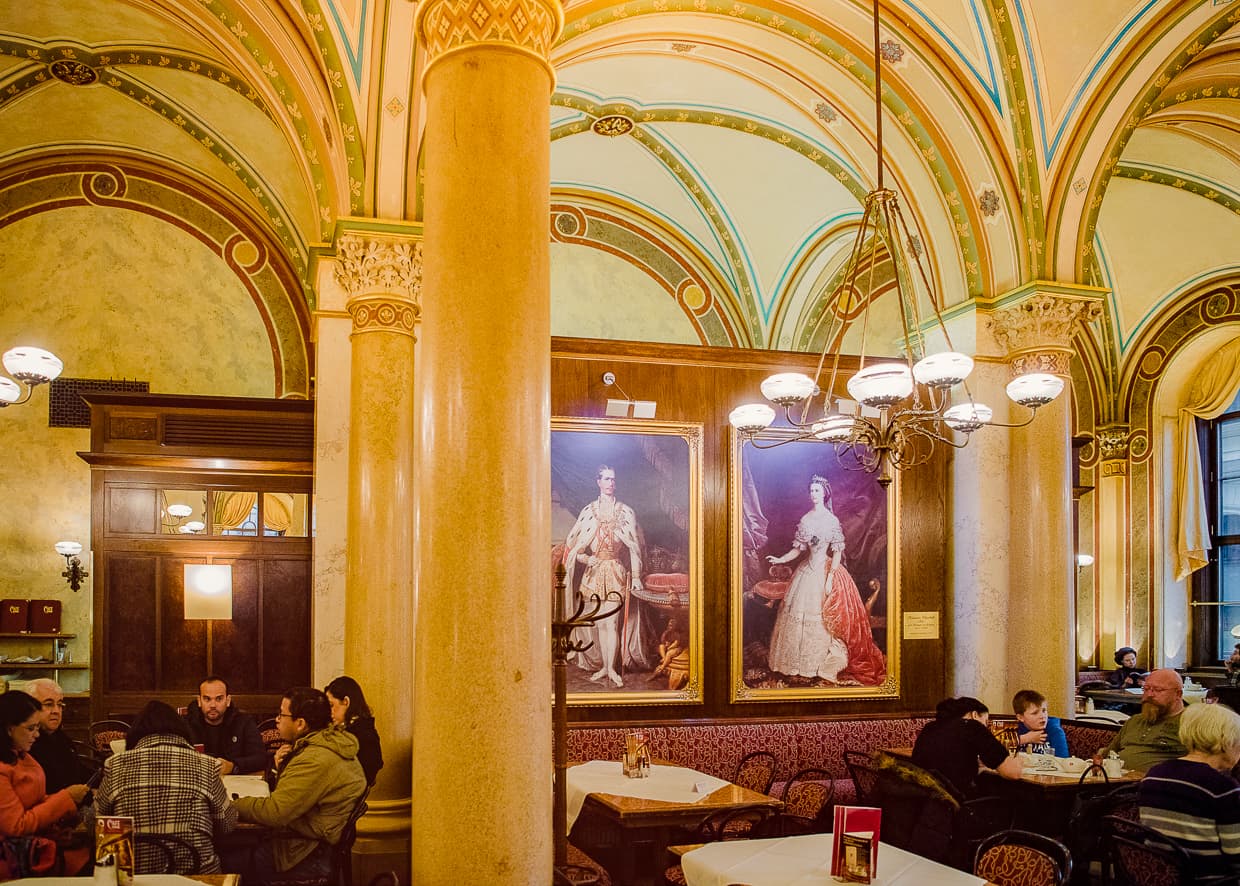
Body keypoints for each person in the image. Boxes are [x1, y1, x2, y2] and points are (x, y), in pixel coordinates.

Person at [226, 687, 366, 885]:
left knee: (223, 860)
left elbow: (276, 812)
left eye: (282, 714)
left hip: (306, 854)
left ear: (300, 723)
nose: (277, 720)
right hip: (306, 843)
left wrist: (232, 804)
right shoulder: (323, 745)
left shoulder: (315, 759)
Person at [764, 476, 885, 685]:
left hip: (825, 571)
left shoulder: (831, 521)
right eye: (811, 490)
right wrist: (780, 558)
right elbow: (798, 549)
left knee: (822, 618)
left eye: (817, 491)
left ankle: (819, 664)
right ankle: (796, 665)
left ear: (825, 494)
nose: (813, 494)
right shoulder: (805, 519)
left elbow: (837, 552)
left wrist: (830, 578)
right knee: (795, 614)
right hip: (806, 572)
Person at [94, 700, 236, 873]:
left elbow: (96, 823)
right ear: (181, 730)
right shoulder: (207, 765)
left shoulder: (115, 765)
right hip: (196, 878)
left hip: (135, 879)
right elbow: (227, 825)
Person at [562, 464, 651, 687]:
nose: (611, 483)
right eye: (607, 479)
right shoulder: (588, 512)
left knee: (612, 623)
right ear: (598, 482)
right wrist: (585, 559)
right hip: (593, 575)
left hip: (615, 572)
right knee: (601, 624)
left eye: (613, 479)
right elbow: (574, 548)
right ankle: (603, 667)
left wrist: (637, 576)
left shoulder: (626, 511)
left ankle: (611, 668)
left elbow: (634, 547)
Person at [1139, 702, 1240, 883]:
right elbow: (1237, 857)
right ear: (1226, 741)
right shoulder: (1222, 787)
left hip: (1159, 877)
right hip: (1207, 879)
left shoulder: (1155, 774)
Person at [0, 691, 89, 872]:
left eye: (37, 728)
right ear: (9, 729)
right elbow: (17, 826)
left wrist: (55, 828)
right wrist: (66, 798)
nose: (37, 735)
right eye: (30, 728)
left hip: (39, 844)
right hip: (16, 859)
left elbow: (35, 803)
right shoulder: (3, 769)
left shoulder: (22, 756)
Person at [912, 696, 1022, 797]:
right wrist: (1018, 760)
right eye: (986, 722)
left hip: (925, 799)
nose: (986, 727)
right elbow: (1013, 773)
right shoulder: (973, 727)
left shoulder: (930, 727)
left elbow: (949, 759)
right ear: (974, 715)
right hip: (956, 802)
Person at [1101, 668, 1188, 771]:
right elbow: (1107, 754)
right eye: (1146, 689)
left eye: (1158, 690)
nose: (1149, 695)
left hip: (1159, 783)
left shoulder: (1189, 723)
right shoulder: (1135, 720)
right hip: (1118, 780)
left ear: (1178, 694)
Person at [183, 675, 266, 774]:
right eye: (207, 699)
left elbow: (260, 758)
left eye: (218, 699)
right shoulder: (185, 724)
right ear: (199, 701)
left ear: (228, 700)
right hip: (197, 780)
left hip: (236, 783)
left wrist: (233, 766)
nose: (213, 705)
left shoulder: (244, 722)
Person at [24, 679, 92, 793]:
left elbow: (78, 771)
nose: (56, 711)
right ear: (29, 707)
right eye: (48, 704)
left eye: (60, 704)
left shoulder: (59, 737)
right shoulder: (27, 744)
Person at [324, 676, 383, 786]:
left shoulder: (364, 736)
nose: (329, 712)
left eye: (331, 705)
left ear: (346, 702)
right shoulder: (347, 730)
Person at [1012, 689, 1069, 757]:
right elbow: (999, 750)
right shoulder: (1014, 729)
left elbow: (1063, 760)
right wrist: (1025, 739)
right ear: (1021, 717)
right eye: (1035, 713)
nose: (1042, 716)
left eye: (1044, 710)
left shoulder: (1055, 730)